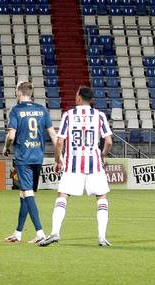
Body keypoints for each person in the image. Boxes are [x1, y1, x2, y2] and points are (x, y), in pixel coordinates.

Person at [40, 86, 114, 247]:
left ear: (79, 98)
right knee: (101, 197)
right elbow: (108, 142)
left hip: (72, 163)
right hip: (94, 163)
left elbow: (60, 141)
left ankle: (54, 233)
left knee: (63, 195)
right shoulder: (99, 116)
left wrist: (57, 159)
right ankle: (102, 237)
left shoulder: (69, 115)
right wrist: (103, 155)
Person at [2, 80, 52, 244]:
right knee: (24, 193)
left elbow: (11, 135)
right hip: (38, 156)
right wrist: (60, 156)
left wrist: (6, 147)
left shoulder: (16, 110)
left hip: (23, 157)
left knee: (27, 193)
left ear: (18, 92)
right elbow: (53, 134)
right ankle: (18, 233)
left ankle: (40, 233)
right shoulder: (41, 109)